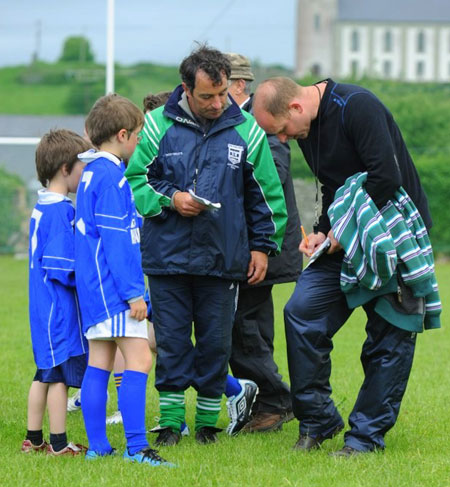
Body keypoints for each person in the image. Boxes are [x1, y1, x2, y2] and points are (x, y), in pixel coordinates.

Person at [252, 76, 438, 456]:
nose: (284, 140)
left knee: (389, 336)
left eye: (283, 131)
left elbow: (386, 178)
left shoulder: (357, 107)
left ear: (296, 108)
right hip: (345, 239)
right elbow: (335, 188)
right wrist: (323, 233)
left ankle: (364, 439)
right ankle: (317, 421)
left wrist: (341, 232)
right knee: (302, 312)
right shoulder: (305, 130)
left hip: (392, 236)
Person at [125, 44, 287, 446]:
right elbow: (135, 183)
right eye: (207, 97)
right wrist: (170, 199)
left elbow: (267, 197)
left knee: (216, 344)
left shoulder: (248, 131)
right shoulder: (156, 125)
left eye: (222, 94)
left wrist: (263, 247)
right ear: (186, 89)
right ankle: (170, 424)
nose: (217, 104)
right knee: (174, 343)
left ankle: (208, 427)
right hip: (167, 259)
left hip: (224, 260)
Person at [74, 94, 173, 467]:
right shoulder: (113, 178)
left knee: (100, 361)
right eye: (138, 136)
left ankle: (99, 448)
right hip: (115, 289)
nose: (140, 143)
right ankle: (138, 448)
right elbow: (118, 243)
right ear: (121, 134)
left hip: (93, 289)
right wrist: (134, 293)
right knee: (140, 357)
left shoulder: (89, 174)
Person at [225, 53, 301, 433]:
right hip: (258, 248)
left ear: (238, 85)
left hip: (262, 249)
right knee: (252, 326)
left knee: (241, 327)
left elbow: (270, 179)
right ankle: (267, 403)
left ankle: (275, 399)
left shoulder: (261, 126)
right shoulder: (247, 122)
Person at [24, 129, 91, 456]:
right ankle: (59, 444)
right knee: (59, 375)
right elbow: (61, 267)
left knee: (44, 373)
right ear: (66, 168)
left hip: (42, 307)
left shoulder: (41, 205)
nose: (85, 175)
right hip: (56, 309)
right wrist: (89, 276)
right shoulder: (61, 211)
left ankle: (33, 439)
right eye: (82, 168)